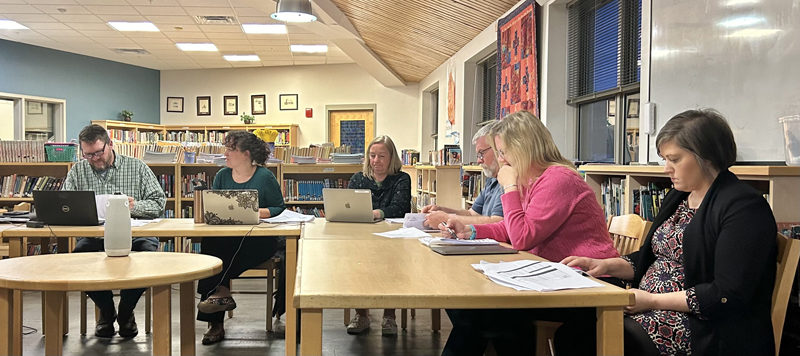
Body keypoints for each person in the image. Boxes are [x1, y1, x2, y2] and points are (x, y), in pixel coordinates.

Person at [560, 109, 777, 355]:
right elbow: (650, 258)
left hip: (704, 327)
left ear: (706, 157)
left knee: (593, 337)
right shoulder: (679, 196)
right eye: (665, 159)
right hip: (649, 306)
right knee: (574, 327)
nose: (666, 169)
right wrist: (605, 265)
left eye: (674, 159)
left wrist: (651, 301)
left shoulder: (743, 208)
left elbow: (725, 295)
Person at [440, 111, 619, 356]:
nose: (501, 160)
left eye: (503, 152)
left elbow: (523, 236)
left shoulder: (558, 178)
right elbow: (512, 228)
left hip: (592, 282)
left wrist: (510, 187)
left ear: (523, 148)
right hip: (557, 274)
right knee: (471, 309)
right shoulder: (534, 179)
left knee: (481, 312)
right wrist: (471, 230)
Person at [64, 124, 166, 338]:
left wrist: (134, 206)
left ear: (110, 144)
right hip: (95, 236)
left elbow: (158, 203)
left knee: (149, 258)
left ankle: (126, 311)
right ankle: (107, 310)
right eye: (88, 155)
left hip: (135, 235)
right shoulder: (78, 171)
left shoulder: (137, 167)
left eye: (99, 152)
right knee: (78, 260)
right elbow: (66, 206)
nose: (94, 159)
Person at [195, 131, 286, 345]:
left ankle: (218, 302)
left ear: (246, 154)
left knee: (219, 258)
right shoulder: (222, 176)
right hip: (228, 235)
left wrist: (256, 211)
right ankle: (220, 299)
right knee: (212, 245)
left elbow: (279, 208)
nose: (225, 154)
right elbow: (214, 205)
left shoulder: (264, 177)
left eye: (230, 149)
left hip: (258, 239)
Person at [345, 135, 412, 336]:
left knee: (391, 266)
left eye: (381, 156)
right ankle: (362, 315)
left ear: (391, 158)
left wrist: (378, 213)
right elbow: (349, 205)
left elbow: (400, 208)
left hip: (392, 236)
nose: (376, 161)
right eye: (372, 156)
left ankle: (389, 316)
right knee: (356, 265)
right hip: (362, 236)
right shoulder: (359, 178)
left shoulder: (401, 178)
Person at [422, 121, 504, 228]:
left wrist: (447, 218)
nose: (478, 160)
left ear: (497, 148)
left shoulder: (509, 181)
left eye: (481, 153)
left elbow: (498, 222)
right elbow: (472, 213)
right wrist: (441, 210)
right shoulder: (492, 180)